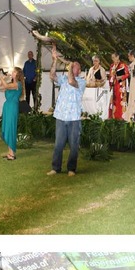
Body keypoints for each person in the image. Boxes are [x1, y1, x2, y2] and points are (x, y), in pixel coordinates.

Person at [48, 47, 86, 176]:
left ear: (79, 71)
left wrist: (69, 66)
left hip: (74, 118)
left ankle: (71, 169)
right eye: (72, 66)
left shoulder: (81, 81)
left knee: (74, 145)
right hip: (60, 116)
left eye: (75, 66)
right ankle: (55, 168)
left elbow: (71, 81)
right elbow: (52, 75)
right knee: (58, 144)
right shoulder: (63, 78)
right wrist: (54, 60)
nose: (72, 67)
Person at [0, 67, 24, 160]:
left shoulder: (18, 84)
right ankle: (9, 153)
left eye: (14, 72)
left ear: (18, 74)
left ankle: (12, 154)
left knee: (11, 128)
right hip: (7, 107)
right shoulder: (10, 84)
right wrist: (4, 77)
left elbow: (6, 86)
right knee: (7, 128)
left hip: (12, 107)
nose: (12, 73)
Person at [108, 52, 129, 120]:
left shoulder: (123, 65)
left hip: (121, 86)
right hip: (114, 86)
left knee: (121, 102)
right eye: (112, 58)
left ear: (118, 57)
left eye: (114, 57)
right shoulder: (112, 66)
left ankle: (121, 118)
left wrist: (121, 77)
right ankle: (114, 117)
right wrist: (110, 83)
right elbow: (110, 75)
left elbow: (127, 74)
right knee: (114, 102)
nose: (113, 59)